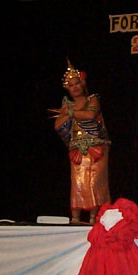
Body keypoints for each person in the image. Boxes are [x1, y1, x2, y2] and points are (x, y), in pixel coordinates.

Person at [51, 60, 111, 224]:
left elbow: (90, 116)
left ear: (83, 83)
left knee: (95, 183)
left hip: (96, 147)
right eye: (71, 85)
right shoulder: (68, 104)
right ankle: (75, 218)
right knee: (77, 184)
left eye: (77, 83)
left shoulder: (92, 99)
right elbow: (58, 124)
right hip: (77, 149)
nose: (75, 87)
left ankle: (93, 219)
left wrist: (70, 113)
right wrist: (71, 113)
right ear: (67, 89)